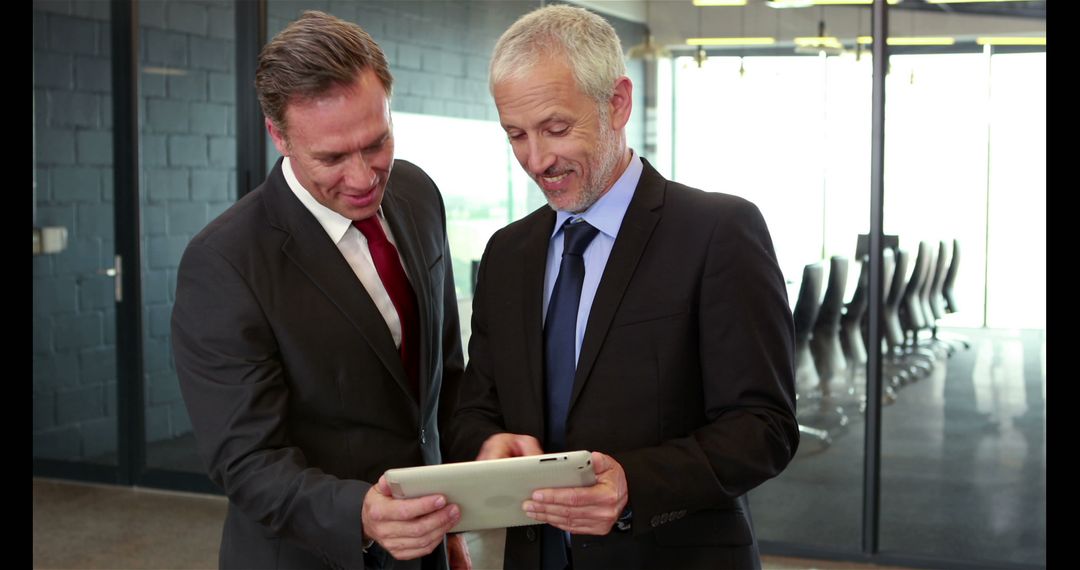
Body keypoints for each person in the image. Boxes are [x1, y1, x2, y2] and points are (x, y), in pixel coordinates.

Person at [447, 5, 799, 569]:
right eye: (516, 134)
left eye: (556, 128)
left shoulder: (717, 232)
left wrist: (633, 483)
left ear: (617, 103)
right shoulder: (507, 254)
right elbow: (473, 414)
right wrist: (488, 450)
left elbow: (766, 428)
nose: (537, 160)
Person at [172, 11, 470, 570]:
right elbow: (246, 460)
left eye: (377, 142)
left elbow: (441, 380)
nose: (362, 178)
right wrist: (362, 513)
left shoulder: (417, 193)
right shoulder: (224, 263)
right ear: (278, 135)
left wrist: (454, 520)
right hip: (311, 555)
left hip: (426, 546)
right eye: (331, 158)